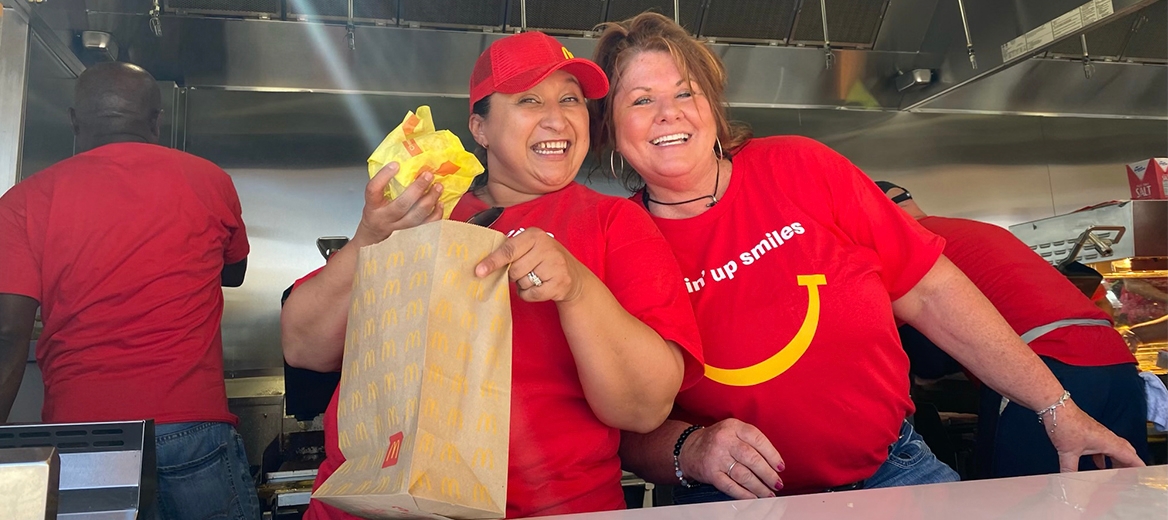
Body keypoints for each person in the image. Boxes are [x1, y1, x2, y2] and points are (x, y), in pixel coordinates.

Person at [587, 12, 1143, 503]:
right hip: (729, 500)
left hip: (894, 473)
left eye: (686, 92)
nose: (669, 113)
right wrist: (691, 449)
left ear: (711, 105)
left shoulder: (802, 167)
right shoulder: (614, 244)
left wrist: (1057, 408)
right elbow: (620, 419)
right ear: (612, 130)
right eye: (641, 99)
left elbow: (932, 291)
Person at [281, 31, 704, 518]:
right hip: (368, 504)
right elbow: (305, 348)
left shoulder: (615, 223)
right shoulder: (421, 206)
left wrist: (578, 289)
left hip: (550, 508)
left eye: (571, 98)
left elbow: (644, 408)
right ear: (479, 129)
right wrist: (370, 238)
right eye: (529, 99)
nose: (557, 118)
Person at [0, 62, 258, 518]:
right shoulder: (209, 180)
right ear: (157, 121)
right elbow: (233, 272)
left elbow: (6, 334)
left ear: (75, 121)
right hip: (191, 426)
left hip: (82, 438)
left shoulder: (25, 200)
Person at [877, 180, 1151, 477]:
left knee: (1025, 500)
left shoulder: (908, 243)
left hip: (1045, 369)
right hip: (1117, 362)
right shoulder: (976, 229)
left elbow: (926, 357)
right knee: (1122, 491)